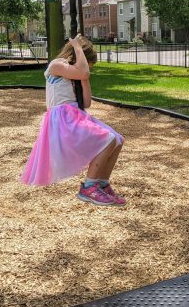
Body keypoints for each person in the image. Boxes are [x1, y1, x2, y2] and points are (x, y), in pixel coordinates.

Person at [21, 34, 126, 206]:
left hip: (76, 114)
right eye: (87, 64)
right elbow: (83, 71)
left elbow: (86, 102)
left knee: (118, 139)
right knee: (108, 139)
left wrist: (84, 80)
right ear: (78, 56)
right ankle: (89, 187)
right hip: (63, 118)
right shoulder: (56, 65)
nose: (88, 70)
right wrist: (78, 47)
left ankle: (102, 183)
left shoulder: (77, 74)